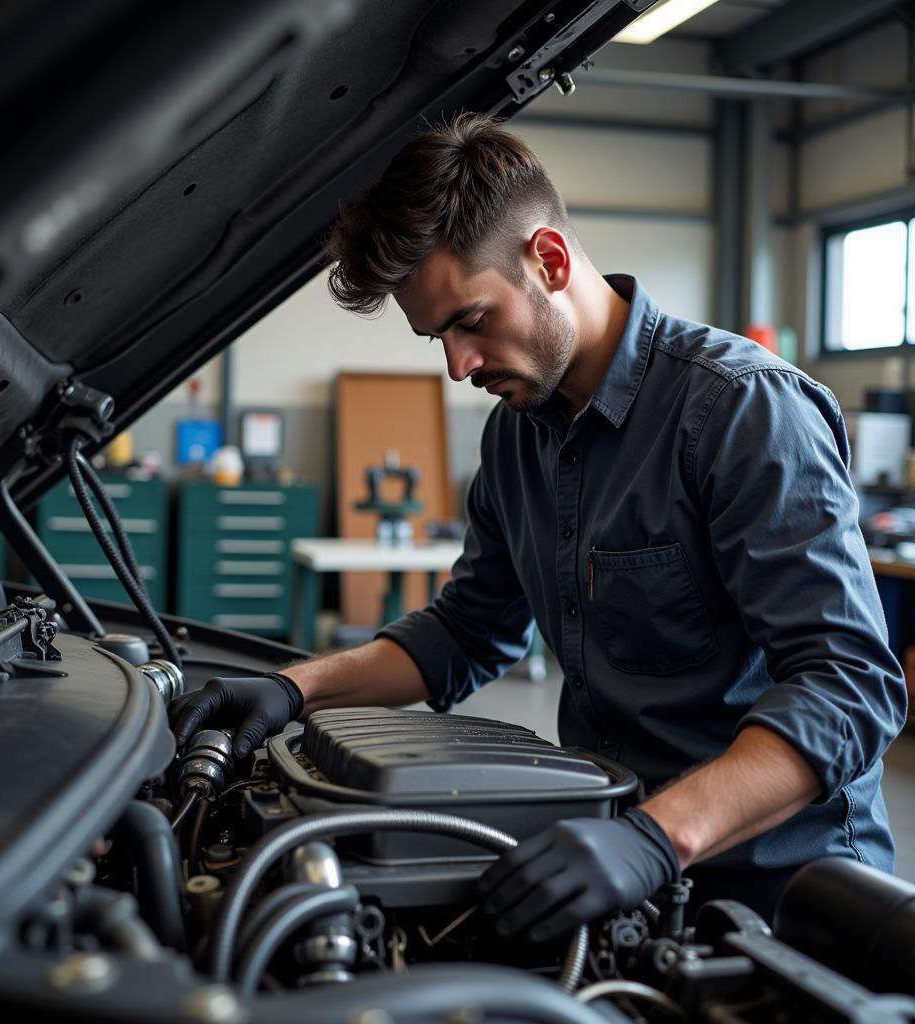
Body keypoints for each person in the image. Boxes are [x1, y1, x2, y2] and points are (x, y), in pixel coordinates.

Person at [171, 113, 907, 934]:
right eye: (436, 338)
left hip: (779, 896)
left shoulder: (741, 409)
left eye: (471, 321)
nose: (458, 366)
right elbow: (468, 630)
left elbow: (849, 686)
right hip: (615, 861)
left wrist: (659, 839)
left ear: (549, 260)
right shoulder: (517, 435)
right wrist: (292, 687)